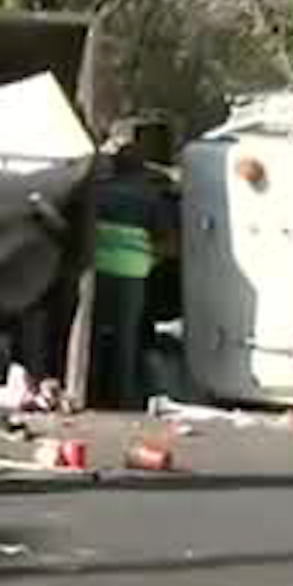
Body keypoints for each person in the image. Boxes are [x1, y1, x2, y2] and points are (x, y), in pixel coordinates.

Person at [88, 135, 179, 410]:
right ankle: (123, 398)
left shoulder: (98, 192)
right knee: (126, 338)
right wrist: (150, 260)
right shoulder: (150, 197)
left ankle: (89, 391)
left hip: (97, 273)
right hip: (133, 275)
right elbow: (169, 243)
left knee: (90, 335)